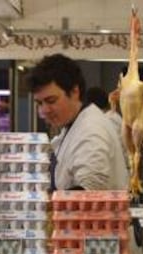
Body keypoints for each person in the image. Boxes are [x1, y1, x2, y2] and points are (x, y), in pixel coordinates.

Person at [26, 53, 128, 191]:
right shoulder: (74, 124)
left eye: (51, 101)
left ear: (75, 91)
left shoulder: (91, 130)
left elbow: (89, 192)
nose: (44, 110)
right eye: (39, 103)